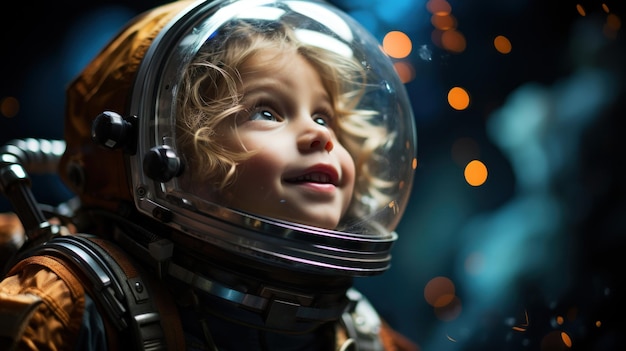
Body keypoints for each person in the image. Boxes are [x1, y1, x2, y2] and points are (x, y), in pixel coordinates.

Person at [0, 0, 418, 350]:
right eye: (268, 112)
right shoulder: (70, 306)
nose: (319, 135)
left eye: (324, 117)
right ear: (173, 153)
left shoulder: (358, 331)